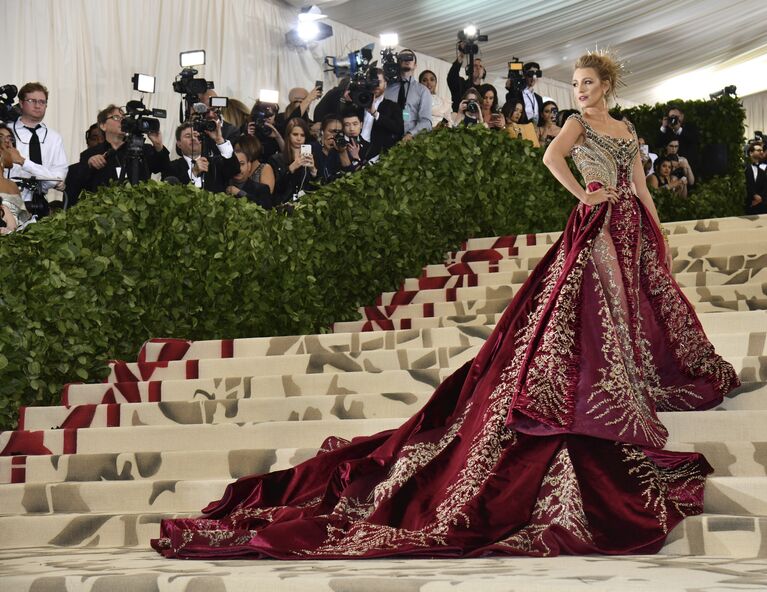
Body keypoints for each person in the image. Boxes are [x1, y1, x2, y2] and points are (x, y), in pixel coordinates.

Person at [152, 51, 739, 560]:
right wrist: (586, 191)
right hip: (595, 222)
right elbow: (550, 162)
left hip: (630, 223)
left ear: (606, 86)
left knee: (640, 304)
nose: (581, 92)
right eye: (577, 84)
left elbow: (640, 184)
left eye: (588, 84)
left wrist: (658, 231)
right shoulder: (576, 128)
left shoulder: (626, 129)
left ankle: (638, 375)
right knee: (599, 306)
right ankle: (606, 383)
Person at [5, 82, 69, 217]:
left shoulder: (54, 137)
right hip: (8, 202)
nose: (38, 105)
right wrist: (48, 177)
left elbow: (57, 179)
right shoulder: (6, 132)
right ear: (21, 103)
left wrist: (23, 162)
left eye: (42, 101)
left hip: (40, 204)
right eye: (32, 101)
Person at [75, 104, 169, 194]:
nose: (122, 120)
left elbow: (164, 168)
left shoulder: (142, 148)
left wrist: (158, 145)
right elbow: (78, 184)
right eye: (116, 117)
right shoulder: (89, 154)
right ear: (103, 125)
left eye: (124, 117)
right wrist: (89, 165)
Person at [163, 120, 240, 194]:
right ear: (179, 144)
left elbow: (234, 169)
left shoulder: (215, 163)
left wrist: (219, 139)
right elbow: (170, 192)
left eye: (196, 135)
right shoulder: (171, 167)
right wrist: (193, 173)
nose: (193, 138)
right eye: (188, 136)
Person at [383, 49, 432, 141]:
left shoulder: (422, 91)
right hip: (387, 139)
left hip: (411, 142)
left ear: (415, 65)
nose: (407, 60)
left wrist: (411, 134)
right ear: (397, 63)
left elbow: (427, 122)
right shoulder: (387, 89)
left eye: (410, 58)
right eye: (403, 57)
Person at [359, 69, 403, 161]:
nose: (375, 85)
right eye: (372, 82)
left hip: (378, 155)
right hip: (356, 150)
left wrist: (375, 114)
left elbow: (398, 128)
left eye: (378, 82)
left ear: (386, 83)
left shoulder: (392, 106)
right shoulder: (358, 103)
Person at [270, 118, 316, 204]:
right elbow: (276, 188)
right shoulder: (276, 159)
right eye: (295, 134)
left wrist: (313, 171)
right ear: (288, 135)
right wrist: (290, 168)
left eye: (302, 135)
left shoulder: (309, 157)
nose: (299, 138)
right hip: (283, 205)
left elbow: (315, 188)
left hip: (304, 205)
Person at [225, 140, 272, 208]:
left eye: (242, 164)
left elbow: (266, 209)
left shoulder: (262, 189)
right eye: (234, 164)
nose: (238, 169)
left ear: (249, 166)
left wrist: (240, 193)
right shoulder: (222, 185)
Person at [656, 106, 700, 171]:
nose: (673, 119)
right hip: (669, 166)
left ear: (682, 116)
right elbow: (657, 144)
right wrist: (663, 128)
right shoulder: (666, 129)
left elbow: (694, 140)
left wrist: (678, 129)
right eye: (671, 117)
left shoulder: (690, 127)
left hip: (688, 164)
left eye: (675, 116)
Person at [745, 142, 767, 214]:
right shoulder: (744, 167)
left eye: (762, 150)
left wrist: (760, 198)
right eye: (758, 150)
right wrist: (754, 195)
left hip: (761, 207)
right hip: (748, 205)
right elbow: (746, 184)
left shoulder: (763, 168)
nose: (761, 152)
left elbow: (765, 186)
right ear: (751, 153)